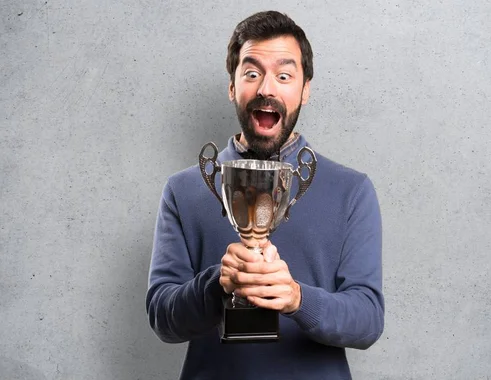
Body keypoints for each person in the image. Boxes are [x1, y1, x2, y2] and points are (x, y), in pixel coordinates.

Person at [146, 10, 384, 380]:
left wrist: (297, 298)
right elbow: (162, 318)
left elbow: (368, 320)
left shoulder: (351, 191)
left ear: (305, 90)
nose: (266, 89)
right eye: (251, 73)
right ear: (232, 86)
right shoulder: (184, 190)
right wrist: (217, 284)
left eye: (284, 75)